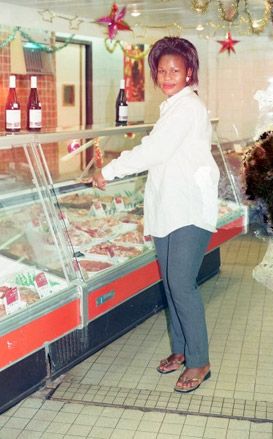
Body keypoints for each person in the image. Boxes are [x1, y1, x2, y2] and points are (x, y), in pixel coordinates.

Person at [92, 36, 220, 393]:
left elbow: (155, 149)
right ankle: (180, 350)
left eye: (174, 70)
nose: (167, 76)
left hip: (189, 209)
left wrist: (109, 171)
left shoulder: (187, 107)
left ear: (189, 72)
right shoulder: (171, 107)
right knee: (170, 283)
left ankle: (199, 360)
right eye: (162, 70)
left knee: (181, 284)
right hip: (168, 208)